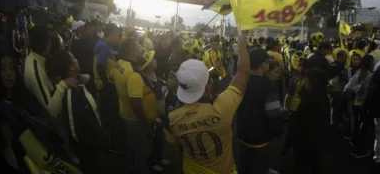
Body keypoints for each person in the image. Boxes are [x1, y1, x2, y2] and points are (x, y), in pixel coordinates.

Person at [167, 32, 249, 174]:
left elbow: (173, 149)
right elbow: (243, 73)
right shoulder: (222, 109)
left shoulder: (172, 118)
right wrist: (242, 43)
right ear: (207, 87)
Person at [46, 50, 108, 174]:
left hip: (94, 146)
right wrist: (99, 142)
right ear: (71, 67)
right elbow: (76, 133)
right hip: (89, 152)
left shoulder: (77, 83)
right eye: (74, 57)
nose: (77, 59)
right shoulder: (70, 92)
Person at [237, 50, 283, 174]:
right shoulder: (269, 86)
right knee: (259, 166)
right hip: (260, 138)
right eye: (268, 61)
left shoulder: (240, 82)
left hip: (242, 133)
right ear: (262, 64)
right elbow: (273, 116)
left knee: (244, 164)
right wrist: (278, 131)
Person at [111, 38, 152, 174]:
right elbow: (135, 102)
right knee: (140, 151)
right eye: (138, 46)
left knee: (131, 146)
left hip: (124, 113)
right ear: (132, 50)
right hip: (135, 119)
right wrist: (144, 121)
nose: (141, 49)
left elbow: (112, 78)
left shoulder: (119, 64)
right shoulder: (134, 72)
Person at [291, 68, 331, 174]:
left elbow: (305, 121)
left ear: (314, 82)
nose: (305, 82)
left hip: (307, 140)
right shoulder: (321, 96)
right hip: (314, 140)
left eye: (308, 80)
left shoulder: (314, 100)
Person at [343, 55, 374, 158]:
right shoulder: (369, 75)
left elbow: (347, 87)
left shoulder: (358, 73)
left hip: (356, 103)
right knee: (363, 129)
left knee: (357, 127)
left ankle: (354, 145)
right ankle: (359, 151)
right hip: (364, 106)